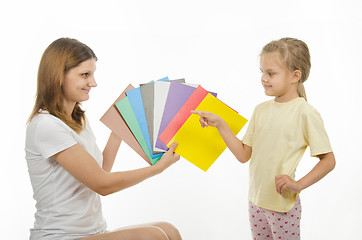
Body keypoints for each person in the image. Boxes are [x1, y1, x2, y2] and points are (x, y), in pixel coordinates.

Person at [25, 37, 182, 240]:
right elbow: (102, 184)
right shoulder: (46, 126)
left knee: (169, 230)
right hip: (60, 236)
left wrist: (119, 128)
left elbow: (100, 171)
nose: (93, 83)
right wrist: (158, 168)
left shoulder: (77, 119)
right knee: (153, 236)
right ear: (59, 76)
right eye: (85, 75)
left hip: (93, 232)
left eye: (93, 74)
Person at [192, 37, 335, 239]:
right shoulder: (260, 110)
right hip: (255, 203)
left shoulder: (306, 113)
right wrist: (220, 124)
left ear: (295, 76)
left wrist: (299, 184)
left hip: (282, 206)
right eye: (262, 72)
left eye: (271, 73)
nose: (263, 78)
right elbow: (243, 155)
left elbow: (329, 161)